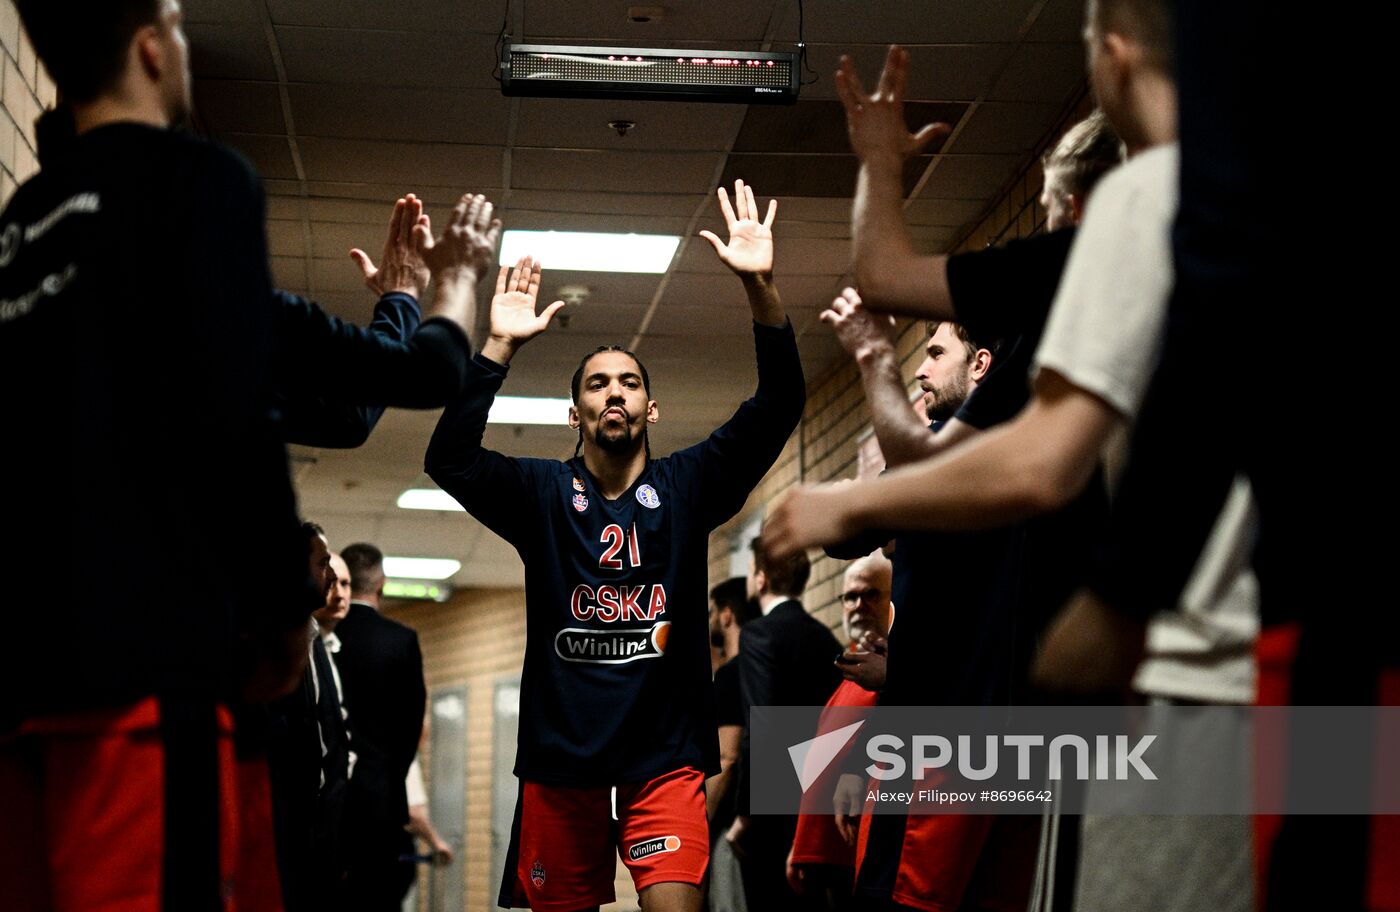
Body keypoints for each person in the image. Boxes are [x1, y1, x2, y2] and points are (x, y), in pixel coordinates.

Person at [425, 179, 805, 912]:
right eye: (598, 384)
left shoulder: (691, 485)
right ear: (577, 410)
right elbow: (450, 460)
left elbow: (779, 403)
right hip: (560, 763)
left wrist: (761, 288)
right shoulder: (540, 495)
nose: (615, 394)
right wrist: (498, 347)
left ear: (650, 406)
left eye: (629, 383)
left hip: (664, 762)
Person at [728, 541, 843, 911]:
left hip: (772, 815)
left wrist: (745, 816)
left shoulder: (759, 634)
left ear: (760, 579)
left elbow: (762, 724)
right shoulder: (826, 639)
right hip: (817, 805)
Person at [786, 554, 893, 912]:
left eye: (871, 594)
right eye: (849, 597)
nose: (858, 605)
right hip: (823, 855)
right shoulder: (850, 673)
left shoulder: (892, 673)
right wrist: (801, 845)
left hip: (855, 855)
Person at [334, 542, 428, 912]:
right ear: (381, 584)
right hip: (382, 799)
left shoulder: (324, 638)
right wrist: (395, 773)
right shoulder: (401, 641)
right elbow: (411, 723)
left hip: (330, 800)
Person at [707, 577, 760, 912]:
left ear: (727, 615)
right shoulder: (763, 669)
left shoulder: (731, 674)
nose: (711, 619)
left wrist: (700, 822)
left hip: (731, 824)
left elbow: (726, 757)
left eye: (713, 612)